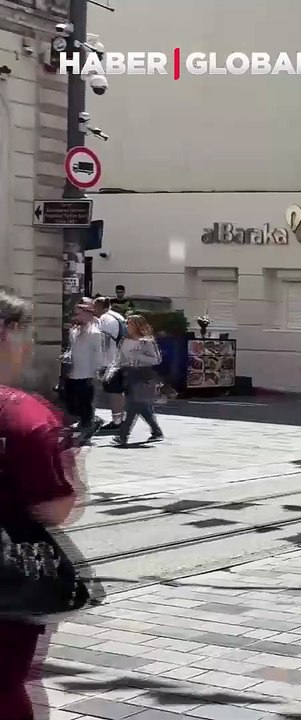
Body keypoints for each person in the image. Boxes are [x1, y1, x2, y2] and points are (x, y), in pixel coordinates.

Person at [1, 291, 85, 719]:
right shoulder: (24, 416)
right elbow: (55, 507)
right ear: (8, 335)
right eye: (26, 336)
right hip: (7, 587)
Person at [112, 315, 165, 446]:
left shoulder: (147, 342)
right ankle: (156, 431)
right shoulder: (124, 340)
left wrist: (139, 356)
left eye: (130, 324)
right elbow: (119, 358)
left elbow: (156, 359)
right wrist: (113, 369)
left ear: (137, 326)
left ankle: (122, 435)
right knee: (142, 406)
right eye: (127, 324)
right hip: (128, 374)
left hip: (142, 374)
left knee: (132, 405)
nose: (127, 327)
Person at [63, 303, 106, 443]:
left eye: (79, 314)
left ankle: (88, 427)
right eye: (75, 314)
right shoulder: (74, 331)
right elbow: (72, 349)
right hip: (73, 372)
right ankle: (91, 422)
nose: (76, 317)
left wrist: (97, 373)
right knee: (71, 403)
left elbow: (98, 355)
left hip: (87, 373)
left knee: (85, 403)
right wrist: (67, 355)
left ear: (88, 314)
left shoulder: (95, 333)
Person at [92, 297, 127, 429]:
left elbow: (103, 342)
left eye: (94, 307)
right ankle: (120, 418)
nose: (93, 310)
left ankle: (116, 421)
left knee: (113, 392)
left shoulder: (105, 319)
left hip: (110, 361)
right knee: (118, 391)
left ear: (100, 306)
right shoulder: (117, 316)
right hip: (120, 359)